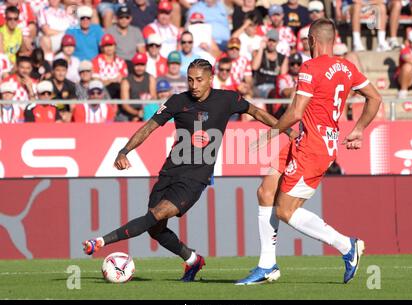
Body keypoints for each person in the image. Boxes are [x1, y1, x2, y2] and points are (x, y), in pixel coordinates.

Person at [82, 58, 295, 282]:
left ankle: (100, 242)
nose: (193, 85)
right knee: (155, 229)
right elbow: (149, 127)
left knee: (156, 214)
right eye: (190, 80)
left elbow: (258, 113)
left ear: (211, 79)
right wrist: (124, 151)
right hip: (170, 171)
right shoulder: (177, 101)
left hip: (196, 177)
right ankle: (193, 260)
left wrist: (287, 132)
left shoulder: (227, 99)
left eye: (199, 80)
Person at [236, 18, 382, 285]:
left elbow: (295, 111)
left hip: (313, 148)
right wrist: (359, 128)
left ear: (313, 41)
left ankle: (346, 246)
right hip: (305, 141)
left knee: (285, 211)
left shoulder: (311, 67)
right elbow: (375, 97)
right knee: (266, 190)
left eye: (307, 40)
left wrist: (270, 133)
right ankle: (267, 265)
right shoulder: (347, 67)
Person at [117, 52, 156, 122]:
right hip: (130, 113)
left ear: (145, 65)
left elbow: (153, 98)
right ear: (133, 65)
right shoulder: (126, 81)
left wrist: (145, 112)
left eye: (142, 65)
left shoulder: (151, 78)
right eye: (137, 65)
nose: (139, 68)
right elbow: (125, 105)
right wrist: (137, 113)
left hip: (147, 111)